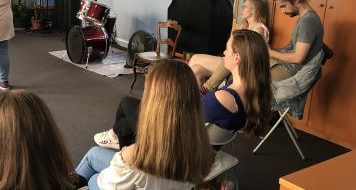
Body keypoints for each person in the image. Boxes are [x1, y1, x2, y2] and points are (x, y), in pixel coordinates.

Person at [78, 60, 214, 190]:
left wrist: (118, 162)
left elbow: (107, 187)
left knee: (92, 179)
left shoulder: (135, 154)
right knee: (94, 153)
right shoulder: (200, 147)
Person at [95, 30, 272, 150]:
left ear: (237, 57)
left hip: (175, 145)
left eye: (226, 50)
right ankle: (121, 142)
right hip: (199, 140)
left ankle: (123, 146)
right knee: (125, 125)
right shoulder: (251, 92)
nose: (223, 53)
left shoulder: (224, 97)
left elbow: (183, 117)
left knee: (127, 103)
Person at [190, 0, 270, 93]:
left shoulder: (259, 29)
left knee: (194, 58)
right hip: (232, 60)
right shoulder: (244, 26)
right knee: (196, 69)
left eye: (244, 7)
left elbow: (249, 53)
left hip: (242, 64)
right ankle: (198, 99)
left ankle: (201, 93)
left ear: (253, 10)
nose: (241, 9)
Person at [269, 0, 324, 81]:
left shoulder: (308, 21)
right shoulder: (305, 18)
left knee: (249, 75)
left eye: (283, 6)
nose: (282, 11)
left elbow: (298, 58)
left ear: (295, 0)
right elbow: (293, 49)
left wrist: (271, 53)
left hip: (291, 69)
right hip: (288, 65)